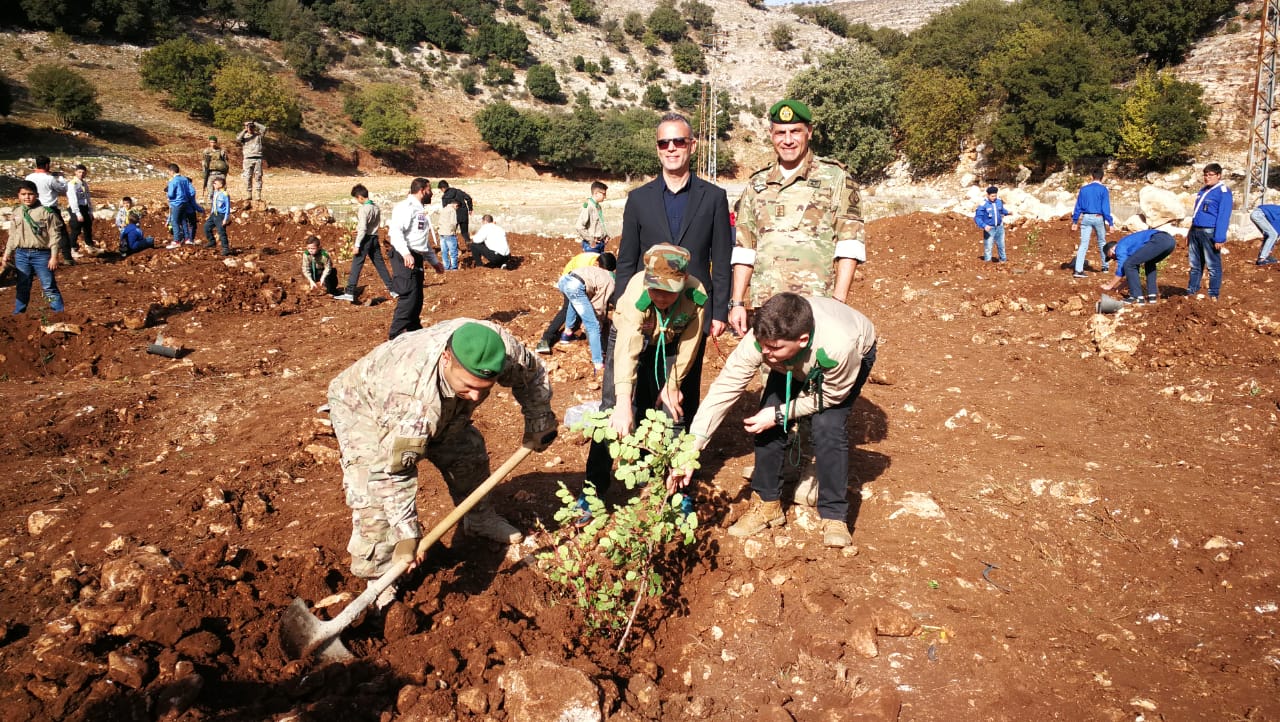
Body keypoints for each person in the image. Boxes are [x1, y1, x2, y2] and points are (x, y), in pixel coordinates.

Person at [326, 319, 557, 609]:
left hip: (435, 401)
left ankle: (479, 519)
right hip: (362, 406)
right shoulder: (410, 399)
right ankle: (380, 575)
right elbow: (392, 473)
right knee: (372, 497)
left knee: (468, 454)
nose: (476, 397)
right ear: (446, 358)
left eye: (484, 388)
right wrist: (407, 535)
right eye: (469, 387)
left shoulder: (502, 351)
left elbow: (533, 375)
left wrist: (539, 419)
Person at [671, 293, 877, 549]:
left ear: (802, 340)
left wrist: (782, 413)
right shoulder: (765, 342)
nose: (766, 354)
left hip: (843, 362)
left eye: (773, 348)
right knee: (764, 416)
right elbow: (725, 388)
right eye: (762, 346)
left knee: (828, 428)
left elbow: (830, 396)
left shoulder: (840, 346)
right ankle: (768, 503)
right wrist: (691, 449)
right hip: (792, 358)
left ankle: (834, 514)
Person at [612, 111, 732, 428]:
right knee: (641, 384)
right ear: (657, 148)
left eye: (678, 141)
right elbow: (626, 260)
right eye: (664, 143)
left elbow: (721, 258)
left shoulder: (714, 198)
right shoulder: (639, 199)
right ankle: (640, 451)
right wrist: (622, 305)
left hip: (692, 309)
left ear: (692, 145)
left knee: (682, 389)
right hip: (648, 305)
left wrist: (719, 311)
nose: (671, 148)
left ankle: (678, 452)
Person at [728, 99, 866, 336]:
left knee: (816, 360)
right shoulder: (756, 184)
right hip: (767, 306)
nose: (788, 140)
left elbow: (849, 244)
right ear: (771, 135)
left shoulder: (835, 178)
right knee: (768, 360)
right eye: (781, 133)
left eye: (795, 131)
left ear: (809, 132)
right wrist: (738, 302)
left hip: (817, 306)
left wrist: (838, 303)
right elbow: (745, 248)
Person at [584, 245, 706, 502]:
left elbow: (690, 344)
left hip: (671, 341)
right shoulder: (636, 293)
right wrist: (623, 402)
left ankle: (675, 490)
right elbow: (629, 348)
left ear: (684, 280)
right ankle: (593, 491)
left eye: (668, 291)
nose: (660, 297)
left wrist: (673, 384)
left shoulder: (696, 294)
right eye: (655, 289)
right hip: (628, 337)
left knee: (672, 409)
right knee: (611, 411)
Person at [387, 178, 445, 340]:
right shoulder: (406, 207)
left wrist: (434, 262)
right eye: (429, 190)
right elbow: (396, 232)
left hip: (416, 256)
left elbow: (421, 241)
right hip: (404, 256)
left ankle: (413, 328)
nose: (431, 193)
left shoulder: (420, 210)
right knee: (408, 295)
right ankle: (396, 333)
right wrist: (406, 253)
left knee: (417, 297)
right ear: (422, 191)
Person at [3, 181, 67, 314]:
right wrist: (7, 253)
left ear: (36, 195)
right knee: (23, 285)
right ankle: (18, 314)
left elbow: (55, 236)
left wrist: (54, 256)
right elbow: (13, 235)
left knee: (48, 286)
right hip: (21, 254)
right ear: (18, 195)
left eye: (30, 194)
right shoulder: (17, 212)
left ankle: (59, 313)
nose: (27, 197)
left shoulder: (46, 212)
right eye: (23, 194)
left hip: (41, 255)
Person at [535, 251, 617, 354]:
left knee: (578, 306)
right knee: (568, 308)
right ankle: (545, 339)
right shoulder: (591, 266)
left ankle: (567, 334)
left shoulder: (601, 264)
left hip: (577, 280)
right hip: (572, 278)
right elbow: (598, 303)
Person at [555, 252, 615, 374]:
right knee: (593, 325)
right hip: (575, 286)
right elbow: (599, 305)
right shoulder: (610, 281)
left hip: (564, 280)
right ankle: (598, 363)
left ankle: (567, 333)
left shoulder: (594, 269)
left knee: (574, 302)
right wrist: (599, 321)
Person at [337, 184, 395, 303]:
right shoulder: (376, 207)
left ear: (360, 197)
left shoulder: (363, 209)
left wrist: (357, 245)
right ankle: (392, 289)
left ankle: (349, 292)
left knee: (356, 265)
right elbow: (371, 225)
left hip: (365, 239)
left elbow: (363, 228)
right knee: (380, 265)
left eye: (356, 199)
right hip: (374, 238)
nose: (357, 201)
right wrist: (359, 229)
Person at [1187, 163, 1233, 300]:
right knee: (1195, 265)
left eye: (1211, 175)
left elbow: (1223, 216)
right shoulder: (1203, 190)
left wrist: (1219, 237)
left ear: (1219, 175)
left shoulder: (1223, 192)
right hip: (1196, 230)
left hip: (1209, 232)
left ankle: (1213, 294)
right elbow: (1197, 213)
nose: (1207, 177)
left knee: (1213, 265)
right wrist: (1190, 232)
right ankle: (1192, 292)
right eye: (1205, 175)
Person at [25, 156, 72, 265]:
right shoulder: (50, 179)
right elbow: (63, 189)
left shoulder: (29, 177)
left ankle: (37, 258)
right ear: (47, 165)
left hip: (34, 208)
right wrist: (60, 178)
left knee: (37, 232)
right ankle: (67, 258)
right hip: (50, 208)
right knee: (61, 233)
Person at [1071, 169, 1113, 277]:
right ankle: (1105, 266)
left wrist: (1075, 221)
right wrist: (1110, 222)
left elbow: (1078, 206)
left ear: (1092, 176)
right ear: (1102, 177)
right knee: (1102, 242)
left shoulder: (1084, 189)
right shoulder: (1103, 189)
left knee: (1083, 244)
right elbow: (1105, 208)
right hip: (1098, 217)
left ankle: (1078, 270)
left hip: (1086, 217)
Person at [164, 164, 202, 248]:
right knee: (183, 220)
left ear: (172, 171)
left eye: (168, 172)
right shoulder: (185, 179)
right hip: (185, 202)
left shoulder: (173, 181)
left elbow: (170, 194)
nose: (168, 173)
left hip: (176, 203)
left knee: (174, 221)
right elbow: (192, 191)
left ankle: (176, 241)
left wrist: (170, 197)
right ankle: (187, 239)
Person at [974, 185, 1011, 263]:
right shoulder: (983, 205)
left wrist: (1007, 212)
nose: (994, 198)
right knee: (988, 246)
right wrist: (984, 226)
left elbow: (1001, 210)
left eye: (995, 196)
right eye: (992, 196)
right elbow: (977, 218)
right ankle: (987, 262)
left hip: (999, 227)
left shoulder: (999, 202)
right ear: (987, 195)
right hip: (989, 228)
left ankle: (1003, 261)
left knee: (1001, 245)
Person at [66, 164, 95, 253]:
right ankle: (72, 248)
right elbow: (73, 199)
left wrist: (90, 211)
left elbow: (87, 198)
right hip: (76, 208)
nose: (81, 174)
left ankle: (89, 245)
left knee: (88, 227)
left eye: (83, 172)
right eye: (79, 172)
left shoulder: (84, 183)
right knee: (76, 229)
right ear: (75, 172)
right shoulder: (72, 184)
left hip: (85, 207)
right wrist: (78, 213)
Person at [236, 120, 266, 206]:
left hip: (257, 158)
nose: (250, 127)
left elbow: (264, 128)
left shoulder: (258, 135)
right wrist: (245, 129)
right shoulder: (244, 136)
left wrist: (255, 123)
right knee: (247, 177)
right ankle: (248, 194)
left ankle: (258, 195)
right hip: (248, 159)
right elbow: (238, 139)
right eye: (249, 126)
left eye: (251, 126)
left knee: (258, 177)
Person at [438, 180, 474, 248]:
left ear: (442, 188)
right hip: (463, 213)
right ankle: (470, 247)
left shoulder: (445, 197)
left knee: (452, 233)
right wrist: (470, 209)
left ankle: (456, 249)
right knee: (465, 232)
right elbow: (469, 198)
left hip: (453, 216)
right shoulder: (458, 191)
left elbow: (445, 209)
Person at [576, 181, 609, 253]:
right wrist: (591, 240)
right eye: (603, 194)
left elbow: (598, 224)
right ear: (596, 193)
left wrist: (605, 235)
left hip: (600, 244)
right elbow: (579, 226)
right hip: (592, 246)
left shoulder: (598, 206)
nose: (605, 196)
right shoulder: (588, 206)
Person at [203, 176, 232, 256]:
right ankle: (212, 241)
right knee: (206, 227)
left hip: (221, 215)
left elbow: (227, 207)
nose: (214, 185)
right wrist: (211, 214)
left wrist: (225, 219)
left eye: (215, 183)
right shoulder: (215, 192)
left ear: (221, 185)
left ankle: (225, 248)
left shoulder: (225, 194)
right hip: (214, 214)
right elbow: (214, 204)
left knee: (221, 232)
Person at [437, 201, 461, 271]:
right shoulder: (452, 210)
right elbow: (453, 223)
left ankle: (446, 267)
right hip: (449, 233)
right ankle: (454, 267)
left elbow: (439, 221)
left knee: (444, 251)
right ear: (456, 205)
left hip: (442, 233)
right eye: (457, 207)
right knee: (453, 251)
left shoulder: (444, 209)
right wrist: (454, 231)